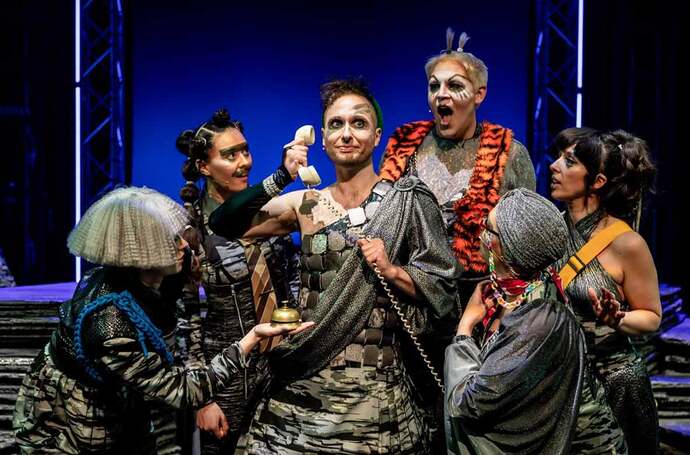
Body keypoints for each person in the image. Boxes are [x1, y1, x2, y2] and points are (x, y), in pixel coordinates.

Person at [209, 78, 460, 454]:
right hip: (305, 383)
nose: (347, 134)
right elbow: (223, 223)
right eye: (335, 124)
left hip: (377, 396)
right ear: (322, 139)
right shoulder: (305, 204)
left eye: (358, 123)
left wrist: (393, 271)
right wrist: (281, 176)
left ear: (377, 137)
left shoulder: (406, 202)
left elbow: (444, 292)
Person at [12, 187, 312, 454]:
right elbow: (185, 391)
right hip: (77, 422)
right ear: (141, 250)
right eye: (170, 240)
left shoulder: (148, 282)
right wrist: (252, 338)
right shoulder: (110, 323)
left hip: (124, 408)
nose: (182, 245)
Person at [445, 188, 627, 454]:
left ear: (506, 251)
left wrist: (464, 330)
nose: (482, 236)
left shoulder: (538, 321)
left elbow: (471, 402)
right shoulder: (519, 287)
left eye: (489, 230)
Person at [175, 108, 301, 454]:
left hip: (278, 370)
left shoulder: (271, 213)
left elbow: (291, 284)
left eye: (245, 150)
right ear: (204, 166)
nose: (243, 162)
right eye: (230, 155)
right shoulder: (190, 230)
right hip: (224, 377)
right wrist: (202, 399)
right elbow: (185, 321)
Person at [379, 28, 535, 292]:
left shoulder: (509, 154)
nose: (441, 94)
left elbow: (526, 240)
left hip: (482, 296)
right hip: (413, 292)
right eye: (433, 86)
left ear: (479, 94)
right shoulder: (403, 148)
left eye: (454, 85)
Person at [550, 128, 660, 453]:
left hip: (615, 383)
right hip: (563, 381)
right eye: (559, 157)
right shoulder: (550, 231)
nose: (555, 166)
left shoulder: (626, 243)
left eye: (569, 162)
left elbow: (652, 317)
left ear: (597, 181)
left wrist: (620, 319)